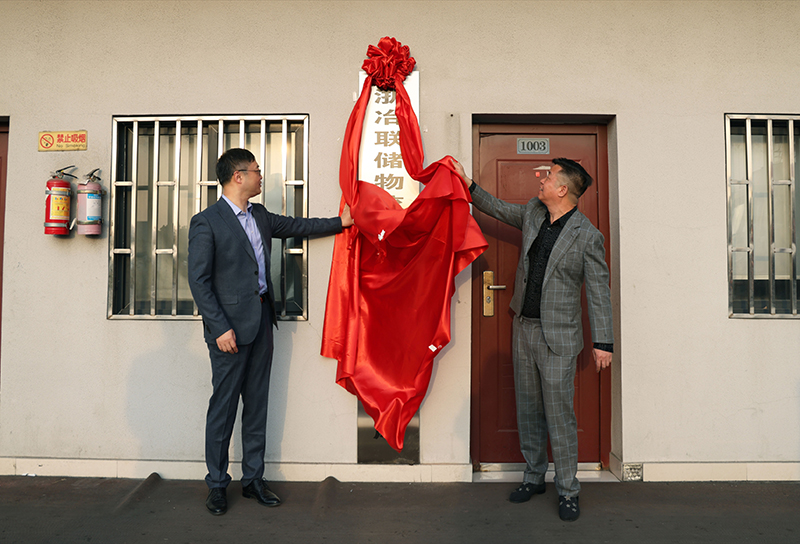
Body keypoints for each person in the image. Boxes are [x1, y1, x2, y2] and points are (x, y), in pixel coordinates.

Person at [188, 148, 353, 516]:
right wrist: (220, 328)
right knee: (223, 408)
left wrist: (342, 222)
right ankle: (217, 485)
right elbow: (199, 281)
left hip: (262, 322)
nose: (261, 176)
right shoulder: (207, 222)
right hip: (228, 332)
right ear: (238, 177)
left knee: (257, 405)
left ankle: (253, 479)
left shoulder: (259, 215)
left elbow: (297, 226)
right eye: (256, 170)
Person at [452, 157, 613, 522]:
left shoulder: (587, 236)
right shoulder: (533, 214)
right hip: (524, 329)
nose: (541, 179)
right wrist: (468, 184)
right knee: (527, 409)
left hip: (559, 338)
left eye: (549, 177)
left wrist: (604, 342)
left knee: (559, 416)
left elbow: (599, 292)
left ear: (563, 189)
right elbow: (497, 207)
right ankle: (534, 476)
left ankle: (568, 490)